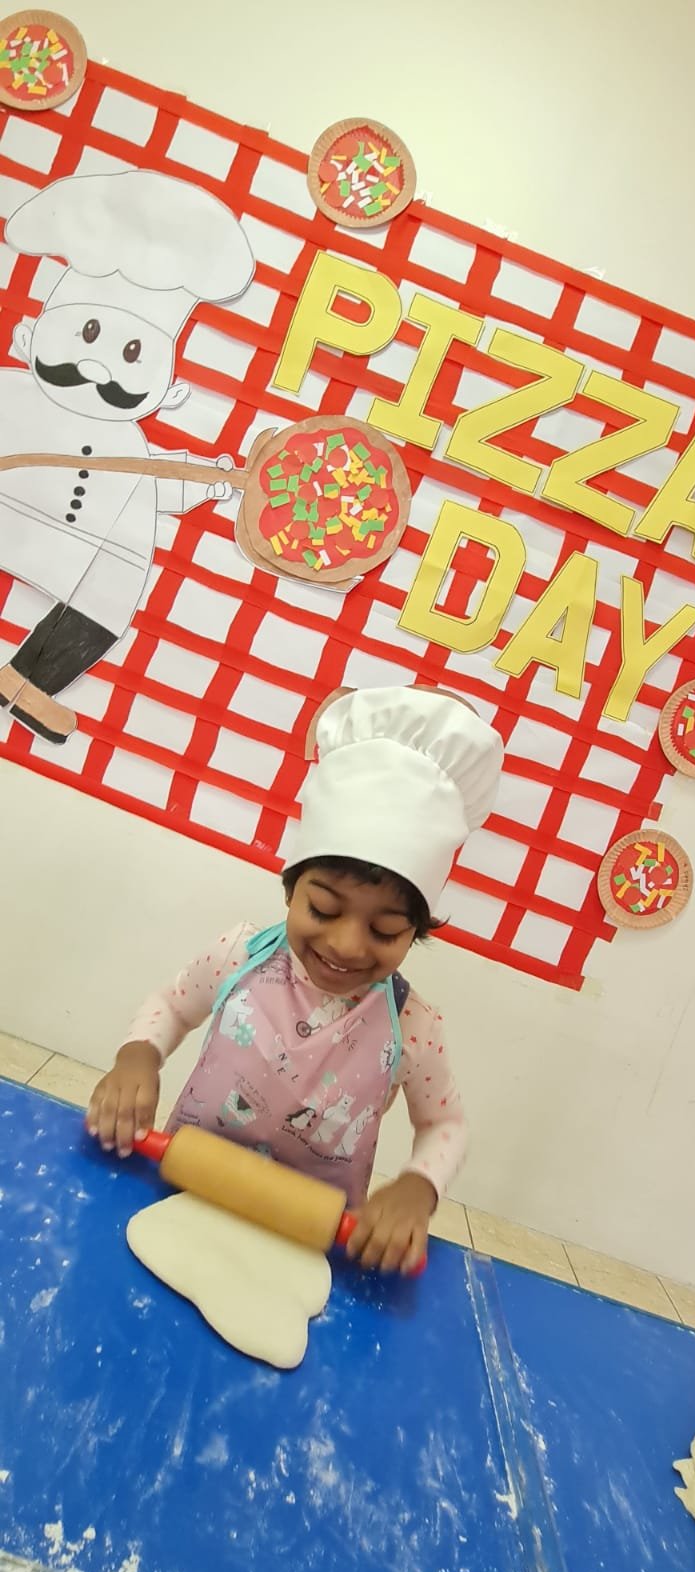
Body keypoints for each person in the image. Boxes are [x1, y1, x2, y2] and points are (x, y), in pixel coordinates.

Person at [87, 687, 503, 1274]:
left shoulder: (413, 1026)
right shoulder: (239, 955)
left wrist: (419, 1186)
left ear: (415, 932)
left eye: (384, 930)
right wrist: (138, 1057)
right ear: (291, 889)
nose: (346, 944)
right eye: (324, 910)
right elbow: (173, 1006)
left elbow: (445, 1124)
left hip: (310, 1237)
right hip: (185, 1185)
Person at [0, 169, 253, 742]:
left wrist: (209, 481)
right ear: (29, 338)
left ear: (166, 388)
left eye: (133, 352)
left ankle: (29, 681)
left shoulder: (127, 444)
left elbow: (152, 484)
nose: (98, 367)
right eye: (86, 333)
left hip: (85, 541)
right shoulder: (11, 393)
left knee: (118, 579)